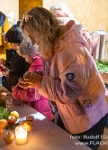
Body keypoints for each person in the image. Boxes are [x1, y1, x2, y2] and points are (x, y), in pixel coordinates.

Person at [18, 7, 108, 150]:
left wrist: (39, 82)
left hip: (89, 117)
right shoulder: (52, 46)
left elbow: (69, 93)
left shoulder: (72, 50)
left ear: (43, 31)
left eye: (33, 36)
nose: (33, 42)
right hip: (72, 115)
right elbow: (57, 74)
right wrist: (39, 76)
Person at [12, 37, 54, 120]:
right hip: (45, 106)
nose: (26, 61)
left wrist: (15, 92)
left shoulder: (34, 67)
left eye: (25, 57)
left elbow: (32, 95)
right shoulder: (42, 61)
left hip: (38, 109)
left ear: (30, 54)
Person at [4, 24, 29, 91]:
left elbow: (24, 75)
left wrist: (10, 74)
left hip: (20, 90)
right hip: (16, 88)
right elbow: (16, 67)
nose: (10, 44)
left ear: (18, 42)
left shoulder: (25, 55)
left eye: (11, 42)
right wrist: (6, 64)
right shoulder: (17, 52)